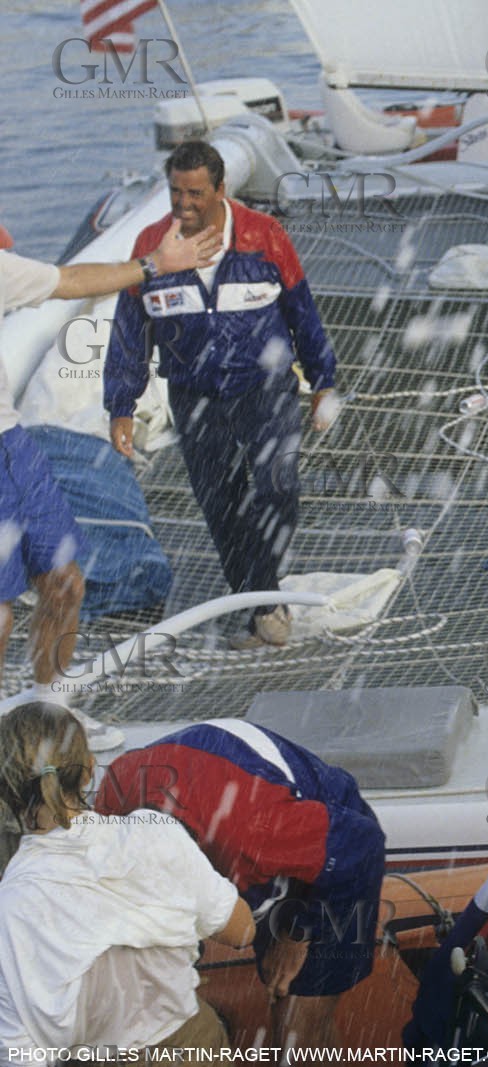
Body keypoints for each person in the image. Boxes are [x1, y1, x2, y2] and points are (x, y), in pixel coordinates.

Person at [103, 140, 338, 648]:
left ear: (220, 190)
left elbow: (303, 311)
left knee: (277, 487)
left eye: (196, 194)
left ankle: (263, 592)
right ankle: (260, 605)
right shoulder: (151, 245)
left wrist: (324, 381)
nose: (184, 205)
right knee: (221, 504)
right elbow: (130, 331)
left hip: (264, 387)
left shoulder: (264, 236)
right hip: (193, 396)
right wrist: (121, 405)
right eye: (175, 193)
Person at [0, 216, 220, 749]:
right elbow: (73, 282)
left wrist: (152, 265)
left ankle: (51, 711)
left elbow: (71, 281)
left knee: (66, 581)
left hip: (11, 441)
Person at [96, 720, 387, 1051]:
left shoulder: (258, 833)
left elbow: (362, 845)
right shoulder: (109, 813)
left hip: (342, 852)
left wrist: (297, 934)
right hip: (217, 796)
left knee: (297, 1025)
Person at [0, 702, 254, 1051]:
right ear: (89, 770)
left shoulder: (14, 903)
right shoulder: (155, 835)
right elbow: (242, 930)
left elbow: (18, 1047)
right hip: (191, 1046)